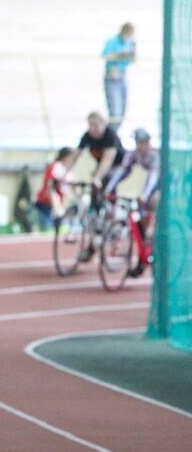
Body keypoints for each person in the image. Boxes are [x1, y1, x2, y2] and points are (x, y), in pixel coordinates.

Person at [103, 127, 160, 277]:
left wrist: (145, 194)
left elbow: (154, 177)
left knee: (154, 202)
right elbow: (122, 171)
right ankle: (143, 257)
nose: (139, 146)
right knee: (139, 218)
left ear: (148, 142)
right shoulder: (133, 154)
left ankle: (156, 243)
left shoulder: (154, 155)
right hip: (151, 184)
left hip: (161, 182)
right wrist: (110, 188)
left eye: (142, 142)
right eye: (137, 142)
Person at [101, 23, 136, 131]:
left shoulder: (130, 42)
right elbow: (105, 55)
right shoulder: (113, 42)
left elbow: (132, 59)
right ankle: (110, 134)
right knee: (115, 110)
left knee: (123, 109)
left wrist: (132, 53)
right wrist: (120, 54)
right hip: (112, 74)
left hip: (122, 74)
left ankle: (113, 133)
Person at [34, 147, 74, 231]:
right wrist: (57, 207)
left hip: (58, 206)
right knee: (48, 229)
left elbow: (69, 190)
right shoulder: (56, 167)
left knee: (63, 229)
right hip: (45, 205)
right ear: (65, 157)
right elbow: (51, 188)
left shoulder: (69, 172)